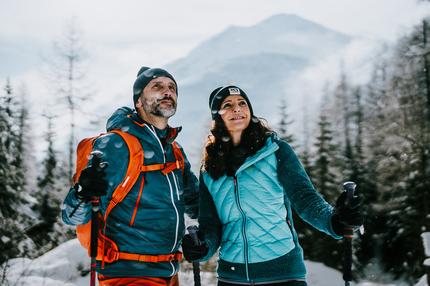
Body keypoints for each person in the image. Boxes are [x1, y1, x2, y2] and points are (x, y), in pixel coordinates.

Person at [181, 85, 363, 286]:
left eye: (242, 103)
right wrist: (202, 247)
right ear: (217, 117)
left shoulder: (276, 151)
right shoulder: (210, 169)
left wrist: (335, 220)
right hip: (232, 277)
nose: (237, 109)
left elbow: (305, 198)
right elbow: (211, 225)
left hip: (283, 273)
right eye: (227, 105)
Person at [62, 66, 199, 286]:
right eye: (157, 86)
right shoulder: (117, 144)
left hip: (168, 272)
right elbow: (72, 216)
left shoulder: (175, 151)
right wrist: (83, 192)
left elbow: (197, 204)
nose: (167, 92)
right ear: (138, 101)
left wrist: (201, 237)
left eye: (172, 88)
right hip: (127, 273)